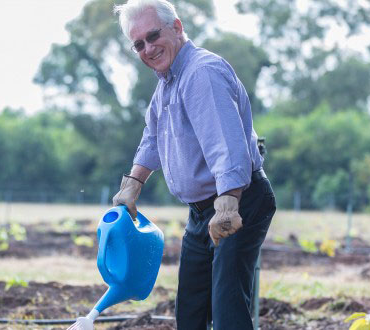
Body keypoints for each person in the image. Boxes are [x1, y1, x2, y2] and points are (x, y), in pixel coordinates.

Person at [111, 1, 277, 329]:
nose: (148, 48)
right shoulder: (168, 83)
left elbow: (226, 147)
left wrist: (228, 205)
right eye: (139, 44)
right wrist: (132, 186)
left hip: (237, 201)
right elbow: (153, 137)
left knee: (228, 308)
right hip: (201, 212)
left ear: (177, 26)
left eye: (153, 35)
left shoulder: (202, 73)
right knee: (190, 311)